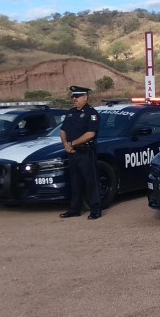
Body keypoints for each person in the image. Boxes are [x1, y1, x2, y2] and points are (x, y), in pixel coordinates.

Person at [59, 86, 101, 220]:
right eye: (73, 96)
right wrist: (66, 144)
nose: (74, 99)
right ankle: (74, 209)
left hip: (86, 152)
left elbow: (90, 133)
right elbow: (63, 131)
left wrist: (73, 143)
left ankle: (95, 209)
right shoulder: (71, 112)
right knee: (75, 182)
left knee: (91, 182)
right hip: (72, 152)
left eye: (77, 97)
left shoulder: (91, 113)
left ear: (85, 97)